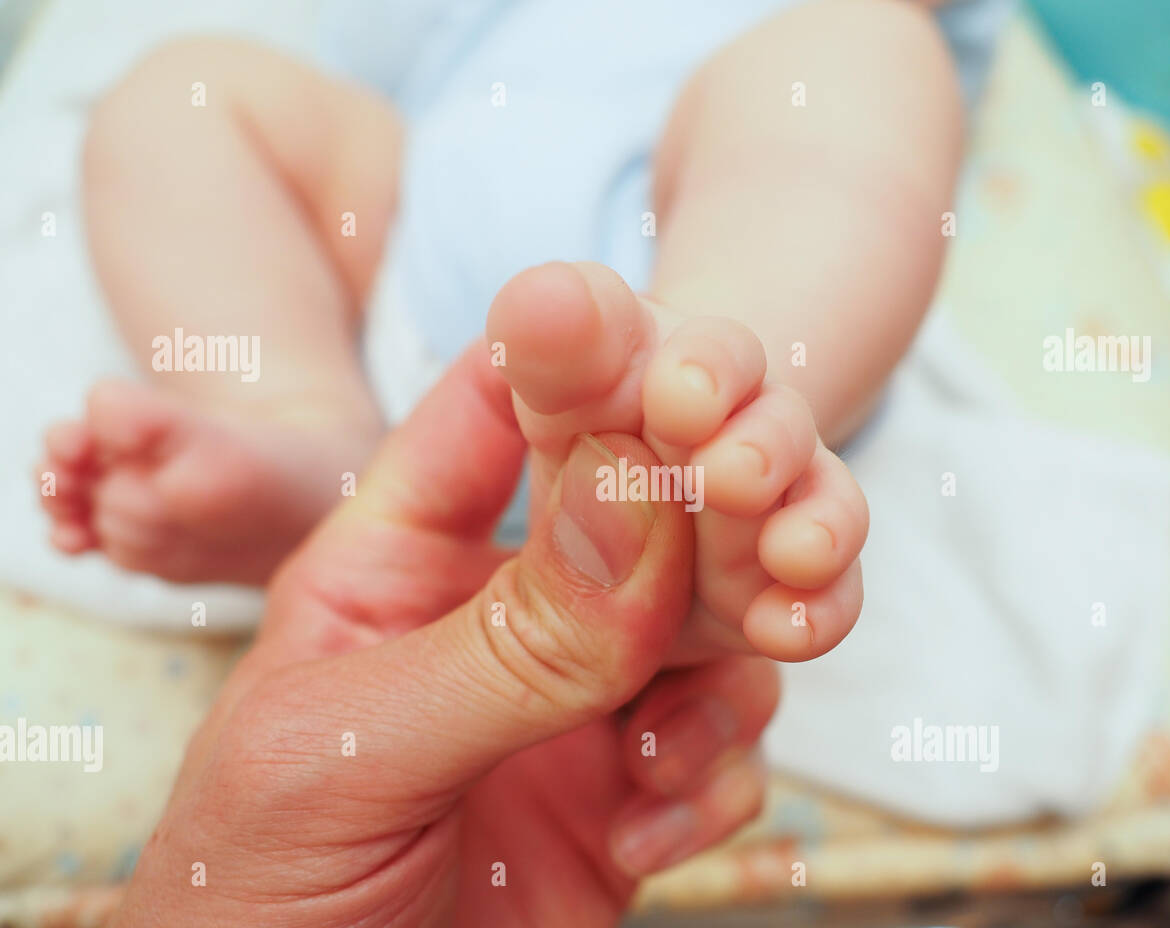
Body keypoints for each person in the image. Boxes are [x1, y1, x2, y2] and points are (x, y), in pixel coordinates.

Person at [36, 0, 975, 663]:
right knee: (186, 90)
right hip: (414, 235)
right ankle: (318, 441)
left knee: (869, 54)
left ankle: (703, 396)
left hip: (713, 250)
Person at [82, 350, 782, 928]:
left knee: (800, 229)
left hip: (556, 356)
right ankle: (310, 437)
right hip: (429, 359)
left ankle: (695, 354)